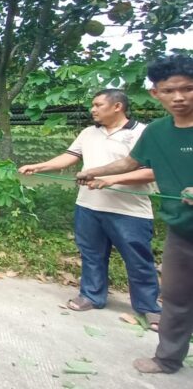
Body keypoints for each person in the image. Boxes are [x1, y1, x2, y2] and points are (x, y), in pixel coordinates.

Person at [76, 55, 193, 375]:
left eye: (188, 89)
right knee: (177, 297)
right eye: (170, 91)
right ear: (156, 93)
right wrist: (96, 172)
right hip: (183, 230)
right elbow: (130, 163)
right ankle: (168, 359)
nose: (179, 97)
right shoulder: (156, 132)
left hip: (136, 214)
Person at [19, 89, 161, 327]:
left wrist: (112, 180)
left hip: (130, 210)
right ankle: (92, 296)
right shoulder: (88, 133)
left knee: (138, 259)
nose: (92, 109)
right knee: (91, 254)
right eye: (92, 105)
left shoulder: (143, 132)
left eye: (98, 105)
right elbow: (70, 156)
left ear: (117, 106)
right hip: (88, 205)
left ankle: (148, 307)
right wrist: (39, 166)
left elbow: (152, 171)